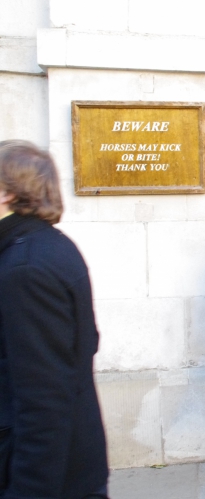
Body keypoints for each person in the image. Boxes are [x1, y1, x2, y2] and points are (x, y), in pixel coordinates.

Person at [0, 140, 108, 498]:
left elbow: (43, 399)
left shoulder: (26, 268)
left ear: (6, 193)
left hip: (47, 476)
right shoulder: (50, 246)